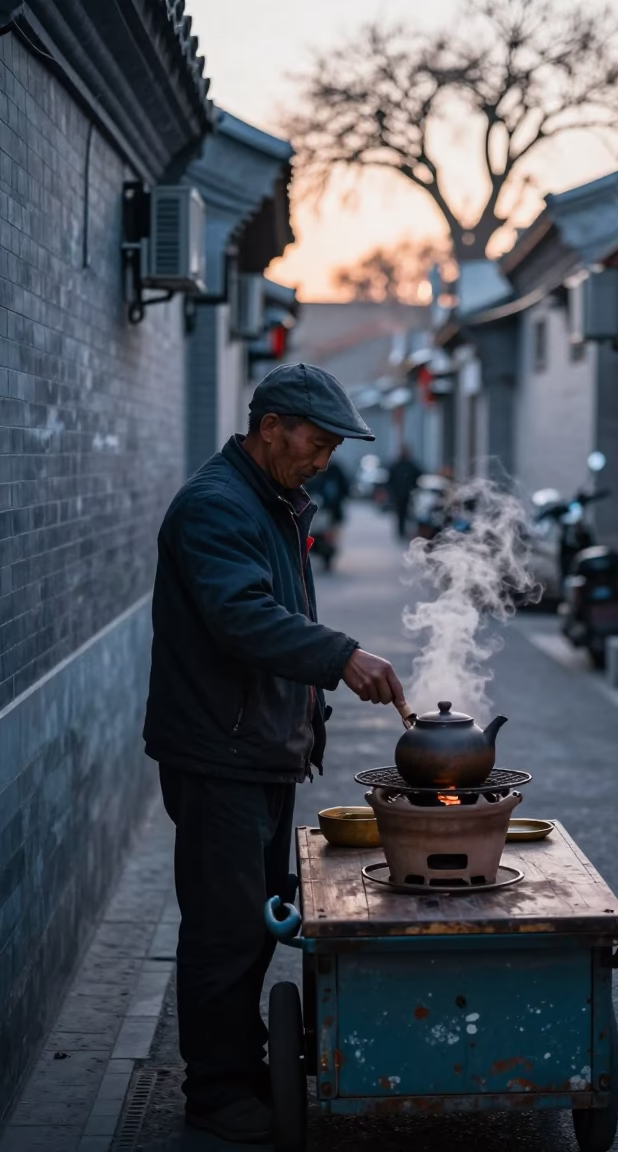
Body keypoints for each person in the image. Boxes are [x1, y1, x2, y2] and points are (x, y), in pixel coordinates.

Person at [143, 362, 406, 1144]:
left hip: (259, 748)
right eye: (316, 443)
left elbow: (285, 608)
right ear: (270, 429)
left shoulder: (275, 500)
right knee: (225, 928)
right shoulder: (215, 507)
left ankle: (241, 1065)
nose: (325, 459)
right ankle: (218, 1092)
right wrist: (343, 657)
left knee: (256, 922)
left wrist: (309, 719)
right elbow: (245, 620)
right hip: (218, 753)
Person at [387, 445, 423, 539]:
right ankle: (401, 532)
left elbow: (419, 476)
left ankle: (407, 531)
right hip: (398, 494)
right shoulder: (397, 465)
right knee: (400, 514)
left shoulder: (410, 465)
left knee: (409, 514)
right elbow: (390, 479)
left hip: (409, 494)